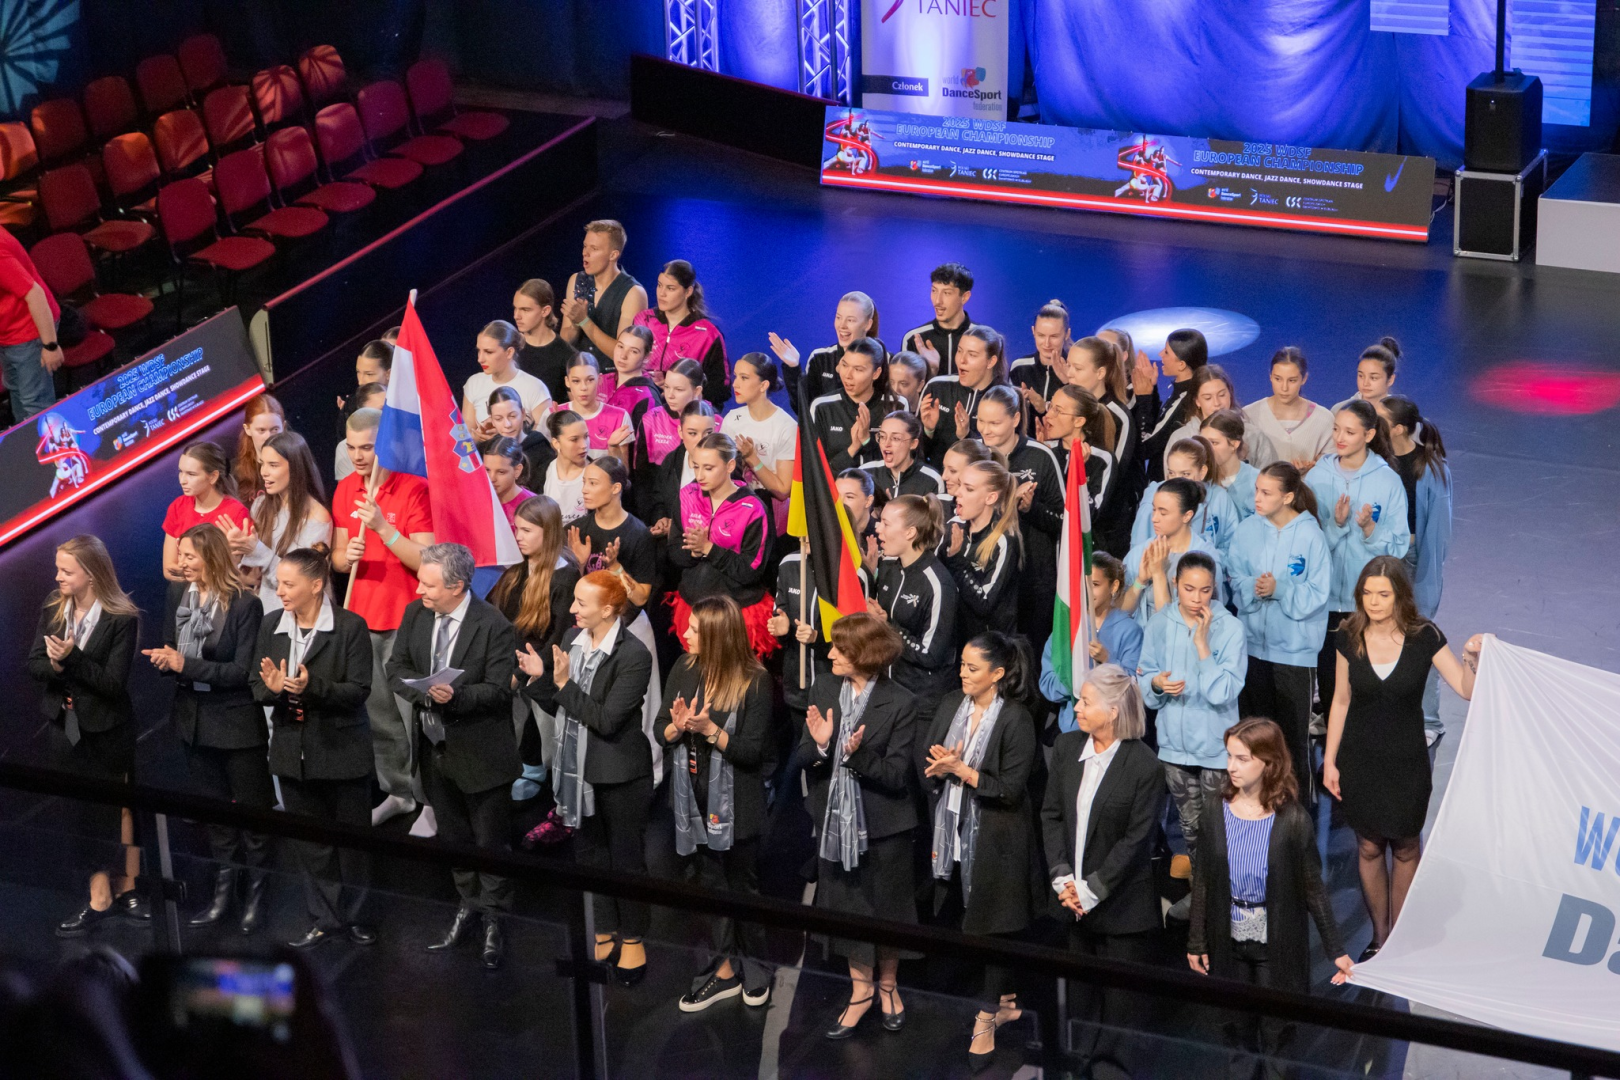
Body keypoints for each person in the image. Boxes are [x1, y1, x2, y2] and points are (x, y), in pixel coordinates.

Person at [1323, 557, 1482, 960]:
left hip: (1407, 763)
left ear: (1400, 596)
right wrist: (1330, 760)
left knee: (1406, 848)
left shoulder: (1424, 636)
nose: (1373, 602)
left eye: (1383, 594)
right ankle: (1380, 939)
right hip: (1360, 761)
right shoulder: (1348, 636)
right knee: (1369, 847)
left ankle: (1399, 941)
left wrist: (1471, 657)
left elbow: (1466, 689)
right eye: (1367, 593)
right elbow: (1340, 700)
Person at [1187, 718, 1353, 1078]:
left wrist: (1336, 950)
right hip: (1228, 942)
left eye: (1242, 758)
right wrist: (1197, 939)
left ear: (1268, 763)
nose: (1231, 767)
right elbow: (1203, 880)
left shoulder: (1292, 819)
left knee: (1278, 1033)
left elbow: (1312, 887)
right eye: (1229, 756)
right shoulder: (1215, 810)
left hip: (1276, 945)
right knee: (1236, 1031)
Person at [388, 543, 521, 970]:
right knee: (454, 837)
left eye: (429, 585)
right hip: (433, 748)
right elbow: (396, 668)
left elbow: (499, 691)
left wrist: (455, 697)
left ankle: (495, 918)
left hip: (482, 754)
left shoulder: (494, 625)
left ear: (458, 586)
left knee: (490, 843)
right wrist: (426, 692)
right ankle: (468, 904)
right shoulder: (416, 613)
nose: (419, 590)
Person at [522, 571, 655, 983]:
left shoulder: (634, 655)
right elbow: (557, 704)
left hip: (619, 773)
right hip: (576, 770)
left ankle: (633, 937)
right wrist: (539, 677)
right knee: (590, 854)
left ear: (609, 609)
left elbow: (606, 720)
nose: (573, 609)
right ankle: (604, 928)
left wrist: (562, 683)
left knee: (625, 860)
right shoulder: (572, 639)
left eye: (582, 603)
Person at [797, 613, 918, 1039]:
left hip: (884, 826)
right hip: (834, 823)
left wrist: (855, 755)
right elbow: (804, 756)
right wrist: (822, 746)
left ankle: (888, 986)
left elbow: (897, 775)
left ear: (865, 655)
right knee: (849, 909)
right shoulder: (824, 687)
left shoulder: (901, 702)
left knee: (887, 911)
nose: (829, 653)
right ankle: (861, 991)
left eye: (840, 648)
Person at [1041, 664, 1166, 1077]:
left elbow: (1137, 840)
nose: (1076, 707)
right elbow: (1052, 815)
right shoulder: (1066, 748)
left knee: (1118, 1021)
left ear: (1113, 711)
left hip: (1122, 912)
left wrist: (1092, 889)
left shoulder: (1145, 766)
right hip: (1072, 906)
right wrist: (1064, 878)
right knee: (1079, 1012)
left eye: (1085, 702)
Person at [919, 632, 1037, 1064]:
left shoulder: (1016, 719)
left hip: (998, 839)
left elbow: (1010, 788)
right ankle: (1002, 1000)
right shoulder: (952, 703)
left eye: (973, 668)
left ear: (997, 674)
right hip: (953, 831)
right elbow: (928, 757)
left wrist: (962, 771)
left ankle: (986, 1020)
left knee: (992, 926)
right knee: (965, 921)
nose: (963, 674)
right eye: (962, 665)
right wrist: (938, 769)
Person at [146, 525, 270, 933]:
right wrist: (166, 661)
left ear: (211, 558)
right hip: (193, 720)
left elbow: (241, 671)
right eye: (180, 554)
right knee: (216, 815)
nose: (180, 562)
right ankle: (223, 892)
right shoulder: (177, 594)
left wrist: (186, 665)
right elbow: (171, 644)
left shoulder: (245, 605)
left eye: (189, 556)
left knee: (252, 817)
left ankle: (257, 893)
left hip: (235, 723)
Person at [250, 548, 375, 949]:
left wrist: (312, 687)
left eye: (289, 584)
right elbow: (256, 686)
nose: (280, 591)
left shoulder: (350, 627)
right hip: (292, 752)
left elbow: (358, 691)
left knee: (353, 845)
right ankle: (324, 918)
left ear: (317, 585)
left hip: (341, 750)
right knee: (310, 844)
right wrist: (273, 690)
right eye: (279, 583)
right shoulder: (271, 624)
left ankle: (357, 917)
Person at [658, 596, 775, 1012]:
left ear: (717, 636)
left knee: (742, 887)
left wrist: (711, 730)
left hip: (738, 805)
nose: (684, 633)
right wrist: (675, 728)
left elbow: (752, 753)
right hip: (693, 797)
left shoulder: (755, 681)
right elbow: (660, 728)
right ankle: (724, 970)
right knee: (710, 886)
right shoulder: (684, 667)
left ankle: (756, 968)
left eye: (694, 629)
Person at [28, 536, 142, 936]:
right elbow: (34, 664)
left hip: (107, 729)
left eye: (66, 571)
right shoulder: (53, 608)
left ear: (91, 575)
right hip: (66, 725)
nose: (57, 577)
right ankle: (99, 895)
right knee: (80, 810)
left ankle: (128, 887)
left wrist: (72, 658)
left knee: (116, 808)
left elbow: (112, 684)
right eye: (58, 569)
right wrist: (58, 667)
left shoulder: (121, 618)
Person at [329, 408, 436, 831]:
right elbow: (339, 556)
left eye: (367, 447)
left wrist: (383, 530)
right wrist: (345, 558)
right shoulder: (345, 490)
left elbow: (427, 558)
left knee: (414, 717)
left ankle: (430, 800)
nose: (358, 456)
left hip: (406, 619)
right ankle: (399, 792)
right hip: (361, 618)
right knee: (379, 717)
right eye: (352, 447)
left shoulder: (414, 489)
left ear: (386, 445)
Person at [1138, 551, 1247, 900]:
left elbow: (1225, 691)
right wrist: (1157, 684)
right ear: (1175, 584)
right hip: (1174, 748)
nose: (1197, 598)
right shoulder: (1159, 624)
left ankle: (1227, 899)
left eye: (1205, 590)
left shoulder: (1229, 628)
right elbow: (1145, 678)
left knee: (1220, 830)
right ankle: (1204, 899)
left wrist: (1202, 646)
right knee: (1190, 829)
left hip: (1216, 749)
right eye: (1189, 589)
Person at [1227, 464, 1331, 802]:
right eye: (1256, 490)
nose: (1256, 498)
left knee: (1291, 742)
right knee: (1255, 739)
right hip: (1253, 650)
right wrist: (1253, 589)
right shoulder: (1247, 529)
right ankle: (1259, 807)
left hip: (1293, 655)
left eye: (1266, 492)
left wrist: (1280, 589)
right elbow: (1234, 575)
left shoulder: (1310, 535)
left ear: (1287, 497)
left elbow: (1318, 593)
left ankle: (1297, 814)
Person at [1305, 400, 1409, 723]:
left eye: (1349, 432)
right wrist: (1336, 527)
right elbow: (1307, 543)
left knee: (1366, 685)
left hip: (1366, 604)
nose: (1340, 438)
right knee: (1329, 681)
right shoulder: (1317, 477)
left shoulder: (1387, 481)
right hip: (1324, 602)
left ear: (1369, 435)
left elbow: (1399, 546)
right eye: (1336, 429)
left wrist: (1369, 530)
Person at [488, 495, 581, 802]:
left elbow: (560, 636)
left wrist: (522, 672)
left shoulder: (564, 576)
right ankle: (527, 769)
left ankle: (554, 789)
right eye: (517, 529)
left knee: (546, 733)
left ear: (548, 532)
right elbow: (503, 620)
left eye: (527, 530)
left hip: (543, 671)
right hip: (513, 662)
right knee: (515, 726)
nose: (519, 536)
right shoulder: (515, 569)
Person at [1377, 396, 1452, 750]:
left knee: (1418, 634)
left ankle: (1429, 720)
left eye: (1380, 420)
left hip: (1412, 558)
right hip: (1380, 556)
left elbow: (1438, 532)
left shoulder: (1429, 468)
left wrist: (1427, 576)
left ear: (1398, 429)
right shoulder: (1378, 459)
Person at [668, 433, 776, 654]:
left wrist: (709, 548)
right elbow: (674, 551)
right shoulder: (687, 496)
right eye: (696, 466)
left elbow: (751, 571)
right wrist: (694, 553)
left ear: (730, 466)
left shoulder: (753, 509)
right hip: (693, 606)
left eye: (708, 468)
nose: (700, 475)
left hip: (735, 613)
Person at [976, 383, 1065, 647]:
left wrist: (1030, 509)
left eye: (994, 423)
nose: (985, 430)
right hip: (985, 575)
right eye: (981, 421)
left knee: (1029, 654)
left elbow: (1065, 521)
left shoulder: (1041, 456)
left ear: (1015, 419)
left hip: (1033, 580)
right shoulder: (975, 455)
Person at [869, 494, 958, 722]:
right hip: (888, 694)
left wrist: (887, 626)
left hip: (922, 705)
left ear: (910, 533)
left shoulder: (938, 584)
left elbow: (930, 654)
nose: (878, 528)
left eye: (886, 523)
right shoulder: (889, 567)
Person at [1039, 553, 1143, 734]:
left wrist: (1107, 661)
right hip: (1073, 731)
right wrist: (1073, 681)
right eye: (1082, 584)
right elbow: (1047, 683)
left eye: (1094, 584)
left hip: (1114, 730)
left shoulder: (1130, 630)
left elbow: (1135, 686)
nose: (1087, 592)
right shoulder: (1066, 630)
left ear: (1113, 586)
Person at [230, 431, 332, 612]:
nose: (264, 472)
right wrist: (238, 551)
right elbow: (253, 576)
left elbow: (301, 582)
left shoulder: (317, 518)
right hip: (266, 613)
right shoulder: (260, 506)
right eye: (262, 464)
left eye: (273, 465)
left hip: (301, 616)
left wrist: (257, 551)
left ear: (296, 468)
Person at [1122, 477, 1221, 629]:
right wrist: (1140, 581)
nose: (1154, 518)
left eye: (1163, 513)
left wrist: (1158, 574)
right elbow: (1121, 612)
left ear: (1187, 516)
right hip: (1142, 639)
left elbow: (1171, 625)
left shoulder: (1205, 559)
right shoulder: (1141, 552)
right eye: (1154, 510)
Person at [1043, 384, 1128, 556]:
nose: (1048, 415)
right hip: (1048, 551)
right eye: (1050, 406)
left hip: (1085, 553)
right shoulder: (1047, 452)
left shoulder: (1102, 459)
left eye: (1058, 411)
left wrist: (1077, 471)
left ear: (1079, 421)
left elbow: (1090, 515)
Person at [942, 458, 1021, 642]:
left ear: (990, 498)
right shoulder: (955, 529)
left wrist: (956, 561)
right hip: (956, 641)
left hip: (989, 646)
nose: (958, 493)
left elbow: (984, 603)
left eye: (968, 489)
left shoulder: (1004, 541)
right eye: (960, 485)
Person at [633, 259, 729, 406]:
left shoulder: (708, 334)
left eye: (670, 288)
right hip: (641, 407)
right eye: (659, 285)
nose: (662, 293)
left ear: (688, 291)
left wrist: (676, 386)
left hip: (685, 413)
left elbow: (721, 389)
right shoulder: (643, 320)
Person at [1130, 437, 1240, 563]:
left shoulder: (1219, 498)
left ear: (1202, 471)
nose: (1177, 480)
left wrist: (1207, 562)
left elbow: (1231, 547)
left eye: (1185, 474)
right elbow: (1138, 551)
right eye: (1172, 473)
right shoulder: (1154, 498)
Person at [722, 352, 798, 533]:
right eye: (735, 376)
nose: (735, 384)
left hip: (772, 521)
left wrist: (752, 458)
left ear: (763, 385)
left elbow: (782, 490)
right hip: (735, 515)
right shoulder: (732, 419)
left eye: (744, 378)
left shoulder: (786, 426)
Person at [771, 290, 885, 404]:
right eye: (838, 317)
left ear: (868, 324)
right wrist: (793, 368)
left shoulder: (883, 361)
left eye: (850, 320)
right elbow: (804, 407)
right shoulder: (820, 358)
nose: (842, 325)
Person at [919, 324, 1009, 467]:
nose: (962, 360)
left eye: (972, 355)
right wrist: (928, 430)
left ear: (991, 361)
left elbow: (1004, 458)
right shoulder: (937, 387)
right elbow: (915, 454)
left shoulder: (1005, 397)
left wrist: (967, 436)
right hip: (938, 477)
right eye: (959, 351)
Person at [560, 219, 648, 364]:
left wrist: (584, 321)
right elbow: (565, 340)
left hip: (612, 375)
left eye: (594, 249)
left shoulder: (634, 293)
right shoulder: (577, 280)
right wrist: (575, 325)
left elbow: (623, 354)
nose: (585, 253)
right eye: (585, 246)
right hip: (578, 372)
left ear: (613, 255)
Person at [161, 442, 251, 582]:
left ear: (213, 477)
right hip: (184, 589)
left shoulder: (236, 512)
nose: (182, 480)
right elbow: (169, 569)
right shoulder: (177, 507)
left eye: (191, 474)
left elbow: (240, 572)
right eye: (181, 472)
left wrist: (194, 573)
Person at [0, 223, 61, 421]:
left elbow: (35, 295)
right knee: (17, 394)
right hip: (8, 332)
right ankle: (26, 438)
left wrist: (50, 346)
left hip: (29, 331)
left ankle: (43, 440)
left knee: (35, 405)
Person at [632, 358, 704, 523]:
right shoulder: (652, 419)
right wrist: (656, 517)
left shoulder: (714, 422)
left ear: (697, 390)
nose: (670, 395)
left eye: (678, 389)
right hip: (659, 512)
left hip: (699, 516)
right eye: (667, 387)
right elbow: (642, 478)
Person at [1164, 364, 1275, 471]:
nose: (1217, 403)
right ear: (1197, 401)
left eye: (1222, 395)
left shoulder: (1252, 435)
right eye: (1208, 398)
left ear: (1230, 394)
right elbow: (1173, 481)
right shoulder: (1180, 438)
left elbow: (1269, 478)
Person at [809, 337, 896, 472]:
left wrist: (867, 441)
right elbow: (816, 471)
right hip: (835, 485)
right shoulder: (821, 407)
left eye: (858, 369)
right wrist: (853, 448)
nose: (848, 375)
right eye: (844, 365)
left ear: (876, 373)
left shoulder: (896, 405)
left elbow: (900, 465)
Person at [1243, 348, 1334, 473]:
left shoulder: (1324, 419)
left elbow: (1332, 469)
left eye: (1292, 380)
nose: (1284, 388)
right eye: (1278, 379)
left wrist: (1312, 470)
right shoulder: (1250, 415)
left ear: (1304, 379)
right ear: (1270, 376)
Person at [1137, 328, 1208, 484]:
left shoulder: (1186, 400)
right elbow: (1159, 426)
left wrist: (1144, 397)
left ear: (1181, 364)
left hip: (1169, 486)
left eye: (1167, 352)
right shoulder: (1185, 392)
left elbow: (1146, 447)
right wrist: (1151, 390)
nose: (1160, 354)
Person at [463, 320, 551, 433]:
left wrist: (507, 436)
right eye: (479, 351)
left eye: (488, 352)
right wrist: (478, 436)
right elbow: (465, 434)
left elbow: (546, 436)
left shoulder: (535, 387)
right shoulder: (474, 383)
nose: (480, 359)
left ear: (509, 352)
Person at [902, 262, 976, 376]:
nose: (937, 301)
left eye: (946, 293)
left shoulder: (982, 339)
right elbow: (905, 385)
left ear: (965, 297)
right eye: (934, 291)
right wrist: (930, 371)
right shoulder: (914, 339)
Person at [1010, 299, 1073, 432]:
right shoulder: (1019, 367)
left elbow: (1081, 414)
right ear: (1033, 331)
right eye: (1041, 335)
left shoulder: (1075, 369)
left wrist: (1044, 406)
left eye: (1054, 336)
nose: (1047, 343)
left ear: (1067, 334)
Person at [560, 353, 634, 460]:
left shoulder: (619, 417)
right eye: (576, 381)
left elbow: (623, 468)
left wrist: (613, 449)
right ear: (567, 381)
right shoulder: (554, 414)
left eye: (590, 380)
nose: (583, 387)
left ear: (600, 380)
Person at [513, 277, 576, 402]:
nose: (516, 316)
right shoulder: (509, 350)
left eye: (525, 310)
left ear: (545, 311)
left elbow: (576, 407)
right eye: (515, 308)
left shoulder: (567, 356)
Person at [862, 410, 943, 501]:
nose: (886, 444)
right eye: (882, 436)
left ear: (913, 444)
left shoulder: (932, 480)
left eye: (895, 438)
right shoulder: (866, 473)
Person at [599, 325, 660, 434]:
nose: (623, 356)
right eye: (620, 346)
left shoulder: (647, 397)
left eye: (633, 351)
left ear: (646, 357)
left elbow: (646, 441)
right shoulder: (601, 381)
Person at [487, 384, 554, 483]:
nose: (507, 424)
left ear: (523, 414)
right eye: (498, 419)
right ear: (492, 420)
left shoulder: (540, 447)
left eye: (512, 416)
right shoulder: (488, 450)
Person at [1203, 410, 1261, 521]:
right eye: (1204, 442)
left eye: (1214, 443)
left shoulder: (1258, 481)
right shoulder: (1199, 481)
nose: (1207, 449)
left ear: (1234, 444)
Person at [543, 409, 591, 525]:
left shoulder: (598, 473)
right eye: (574, 439)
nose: (584, 445)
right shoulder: (543, 471)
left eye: (586, 436)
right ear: (556, 443)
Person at [333, 383, 388, 484]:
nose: (357, 457)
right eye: (381, 410)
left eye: (389, 410)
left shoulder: (407, 441)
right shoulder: (344, 448)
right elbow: (347, 490)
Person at [233, 393, 286, 498]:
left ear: (283, 427)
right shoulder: (236, 473)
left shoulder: (296, 462)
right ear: (248, 429)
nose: (269, 437)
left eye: (275, 429)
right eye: (261, 430)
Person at [481, 436, 536, 528]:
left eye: (501, 472)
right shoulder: (477, 501)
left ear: (517, 471)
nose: (492, 478)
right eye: (487, 470)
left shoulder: (533, 507)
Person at [1333, 337, 1401, 412]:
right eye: (1361, 376)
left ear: (1390, 380)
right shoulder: (1340, 411)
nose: (1365, 383)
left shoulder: (1401, 414)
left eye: (1373, 378)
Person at [937, 438, 995, 523]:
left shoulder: (992, 519)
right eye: (944, 468)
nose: (944, 477)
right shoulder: (938, 503)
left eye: (953, 471)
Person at [836, 468, 877, 557]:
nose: (840, 504)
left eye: (849, 497)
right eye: (836, 496)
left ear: (868, 501)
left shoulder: (883, 535)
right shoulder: (828, 533)